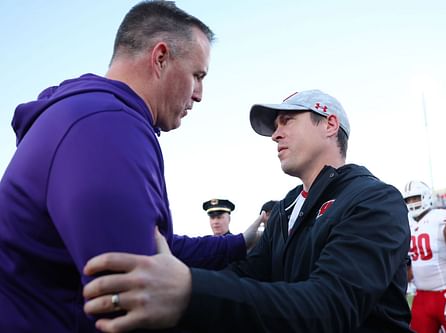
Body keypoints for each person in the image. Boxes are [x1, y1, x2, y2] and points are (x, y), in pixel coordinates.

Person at [0, 2, 262, 332]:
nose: (199, 95)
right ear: (161, 57)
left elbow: (157, 243)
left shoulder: (88, 116)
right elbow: (135, 299)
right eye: (197, 76)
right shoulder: (107, 126)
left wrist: (240, 242)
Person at [83, 89, 413, 332]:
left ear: (329, 124)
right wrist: (167, 281)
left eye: (287, 121)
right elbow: (247, 274)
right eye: (275, 126)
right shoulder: (286, 207)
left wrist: (190, 290)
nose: (276, 134)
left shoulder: (375, 199)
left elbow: (331, 306)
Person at [403, 180, 446, 332]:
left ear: (426, 197)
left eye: (416, 198)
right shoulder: (408, 225)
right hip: (421, 296)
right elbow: (411, 264)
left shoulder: (442, 220)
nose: (412, 203)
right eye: (408, 200)